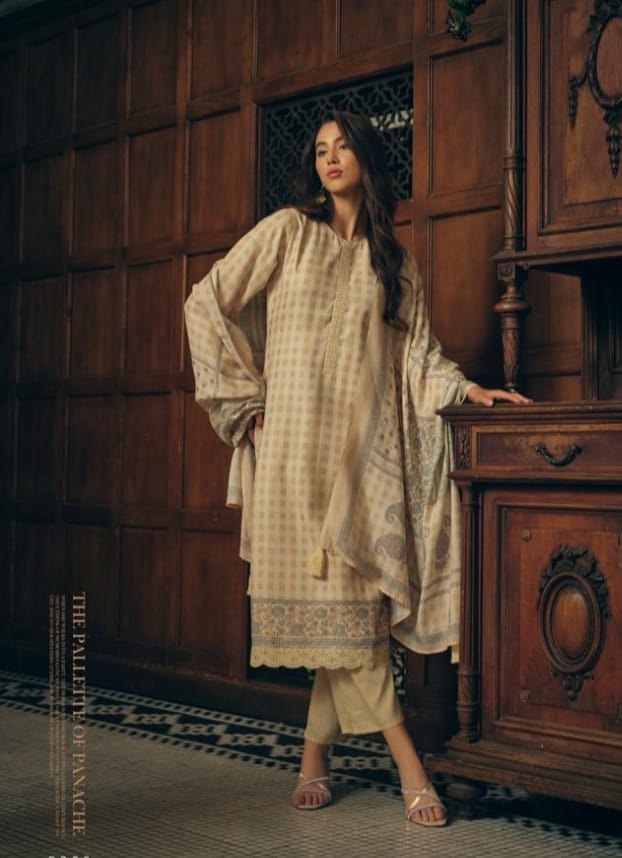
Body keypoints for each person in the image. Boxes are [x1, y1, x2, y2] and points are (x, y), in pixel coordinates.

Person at [184, 110, 530, 827]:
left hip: (359, 464)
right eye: (320, 150)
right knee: (340, 622)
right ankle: (409, 762)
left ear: (367, 158)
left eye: (343, 147)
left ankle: (313, 757)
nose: (330, 158)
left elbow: (418, 359)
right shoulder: (287, 232)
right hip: (290, 459)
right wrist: (243, 402)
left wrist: (468, 389)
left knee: (347, 621)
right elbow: (205, 302)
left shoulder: (395, 265)